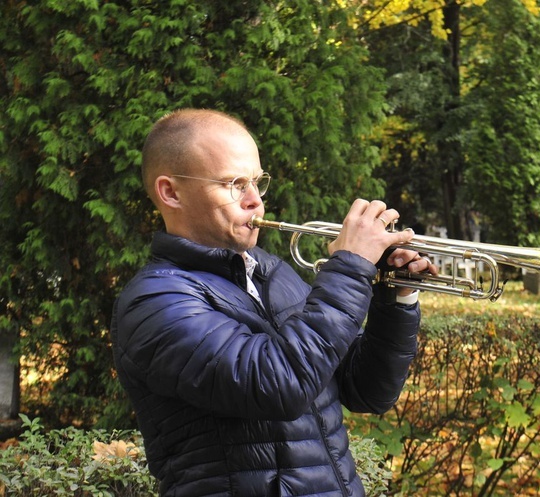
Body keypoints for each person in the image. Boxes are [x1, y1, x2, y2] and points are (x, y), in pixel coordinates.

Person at [110, 108, 436, 497]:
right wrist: (350, 268)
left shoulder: (270, 271)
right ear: (171, 192)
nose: (255, 201)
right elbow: (279, 383)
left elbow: (365, 390)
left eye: (257, 182)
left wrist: (394, 296)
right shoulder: (153, 302)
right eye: (234, 184)